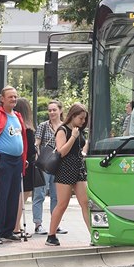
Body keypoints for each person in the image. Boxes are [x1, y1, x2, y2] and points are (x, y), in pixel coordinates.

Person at [46, 103, 90, 246]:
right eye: (81, 118)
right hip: (65, 169)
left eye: (84, 119)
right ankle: (51, 235)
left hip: (78, 168)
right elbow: (61, 151)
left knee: (85, 203)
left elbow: (81, 146)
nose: (83, 121)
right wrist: (73, 137)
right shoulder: (63, 130)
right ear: (73, 116)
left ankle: (94, 234)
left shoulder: (79, 130)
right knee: (62, 204)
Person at [0, 86, 27, 244]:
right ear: (2, 98)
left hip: (17, 160)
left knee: (13, 196)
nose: (14, 99)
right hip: (2, 158)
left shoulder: (17, 115)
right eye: (10, 96)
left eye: (15, 96)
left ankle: (7, 230)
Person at [32, 100, 67, 235]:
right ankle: (38, 224)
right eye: (50, 110)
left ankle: (55, 224)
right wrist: (38, 159)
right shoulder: (43, 126)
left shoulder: (64, 127)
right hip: (45, 164)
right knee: (40, 193)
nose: (52, 112)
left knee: (56, 195)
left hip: (59, 164)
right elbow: (37, 143)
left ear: (60, 110)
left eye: (54, 110)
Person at [13, 98, 45, 239]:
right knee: (22, 198)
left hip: (19, 165)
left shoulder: (17, 128)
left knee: (18, 198)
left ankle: (17, 226)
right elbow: (32, 150)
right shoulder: (28, 129)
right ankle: (16, 227)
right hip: (28, 166)